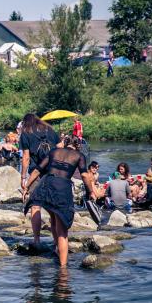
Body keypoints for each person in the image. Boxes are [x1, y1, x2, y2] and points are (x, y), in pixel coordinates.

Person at [23, 136, 95, 267]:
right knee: (62, 230)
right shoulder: (79, 156)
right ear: (78, 146)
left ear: (65, 144)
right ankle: (63, 267)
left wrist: (26, 186)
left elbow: (38, 170)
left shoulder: (54, 151)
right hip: (62, 188)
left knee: (54, 217)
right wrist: (91, 191)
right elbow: (84, 175)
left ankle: (57, 249)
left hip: (46, 186)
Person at [19, 113, 60, 245]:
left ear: (25, 122)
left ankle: (36, 239)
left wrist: (23, 177)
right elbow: (60, 148)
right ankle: (56, 241)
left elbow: (25, 157)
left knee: (35, 206)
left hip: (35, 172)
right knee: (54, 208)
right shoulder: (50, 129)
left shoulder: (25, 133)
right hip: (53, 172)